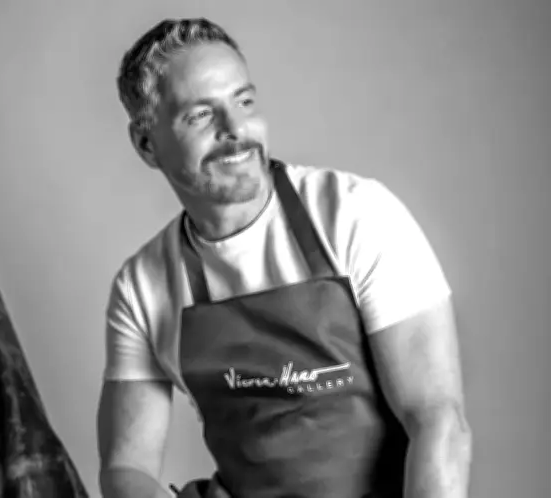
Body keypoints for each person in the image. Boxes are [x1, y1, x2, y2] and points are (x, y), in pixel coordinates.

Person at [96, 17, 472, 498]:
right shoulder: (142, 286)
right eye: (201, 115)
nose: (236, 129)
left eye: (244, 102)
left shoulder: (355, 215)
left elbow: (438, 420)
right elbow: (126, 468)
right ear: (147, 145)